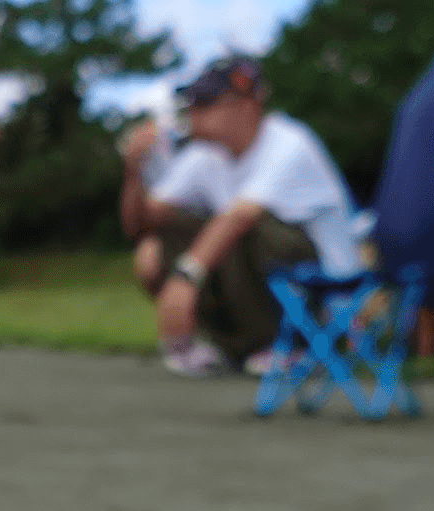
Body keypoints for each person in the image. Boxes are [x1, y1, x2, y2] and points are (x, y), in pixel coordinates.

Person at [135, 58, 363, 376]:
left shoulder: (289, 142)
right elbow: (146, 219)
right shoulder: (205, 153)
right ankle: (227, 345)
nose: (192, 112)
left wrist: (184, 278)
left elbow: (240, 217)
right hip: (272, 275)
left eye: (204, 103)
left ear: (246, 105)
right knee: (163, 240)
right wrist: (133, 170)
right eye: (191, 103)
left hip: (330, 286)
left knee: (245, 229)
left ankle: (296, 343)